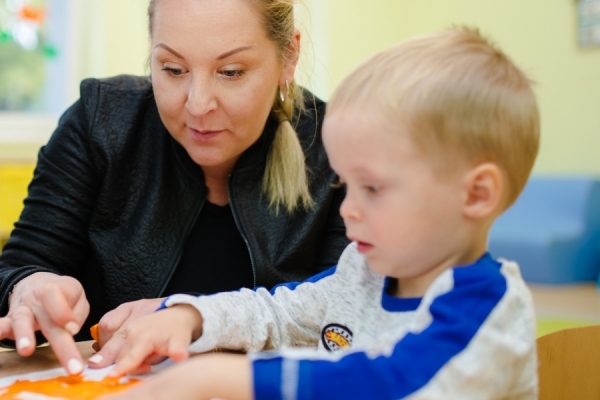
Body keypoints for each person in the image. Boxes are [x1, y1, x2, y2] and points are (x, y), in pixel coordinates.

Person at [100, 26, 541, 400]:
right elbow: (276, 313)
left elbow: (392, 382)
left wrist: (226, 377)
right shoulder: (361, 271)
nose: (348, 210)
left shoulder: (489, 305)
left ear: (476, 194)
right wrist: (191, 316)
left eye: (373, 187)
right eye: (345, 185)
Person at [0, 0, 349, 376]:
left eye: (231, 72)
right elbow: (18, 268)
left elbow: (351, 314)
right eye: (172, 69)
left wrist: (194, 316)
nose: (197, 105)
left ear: (289, 56)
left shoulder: (337, 146)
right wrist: (27, 287)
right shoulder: (100, 122)